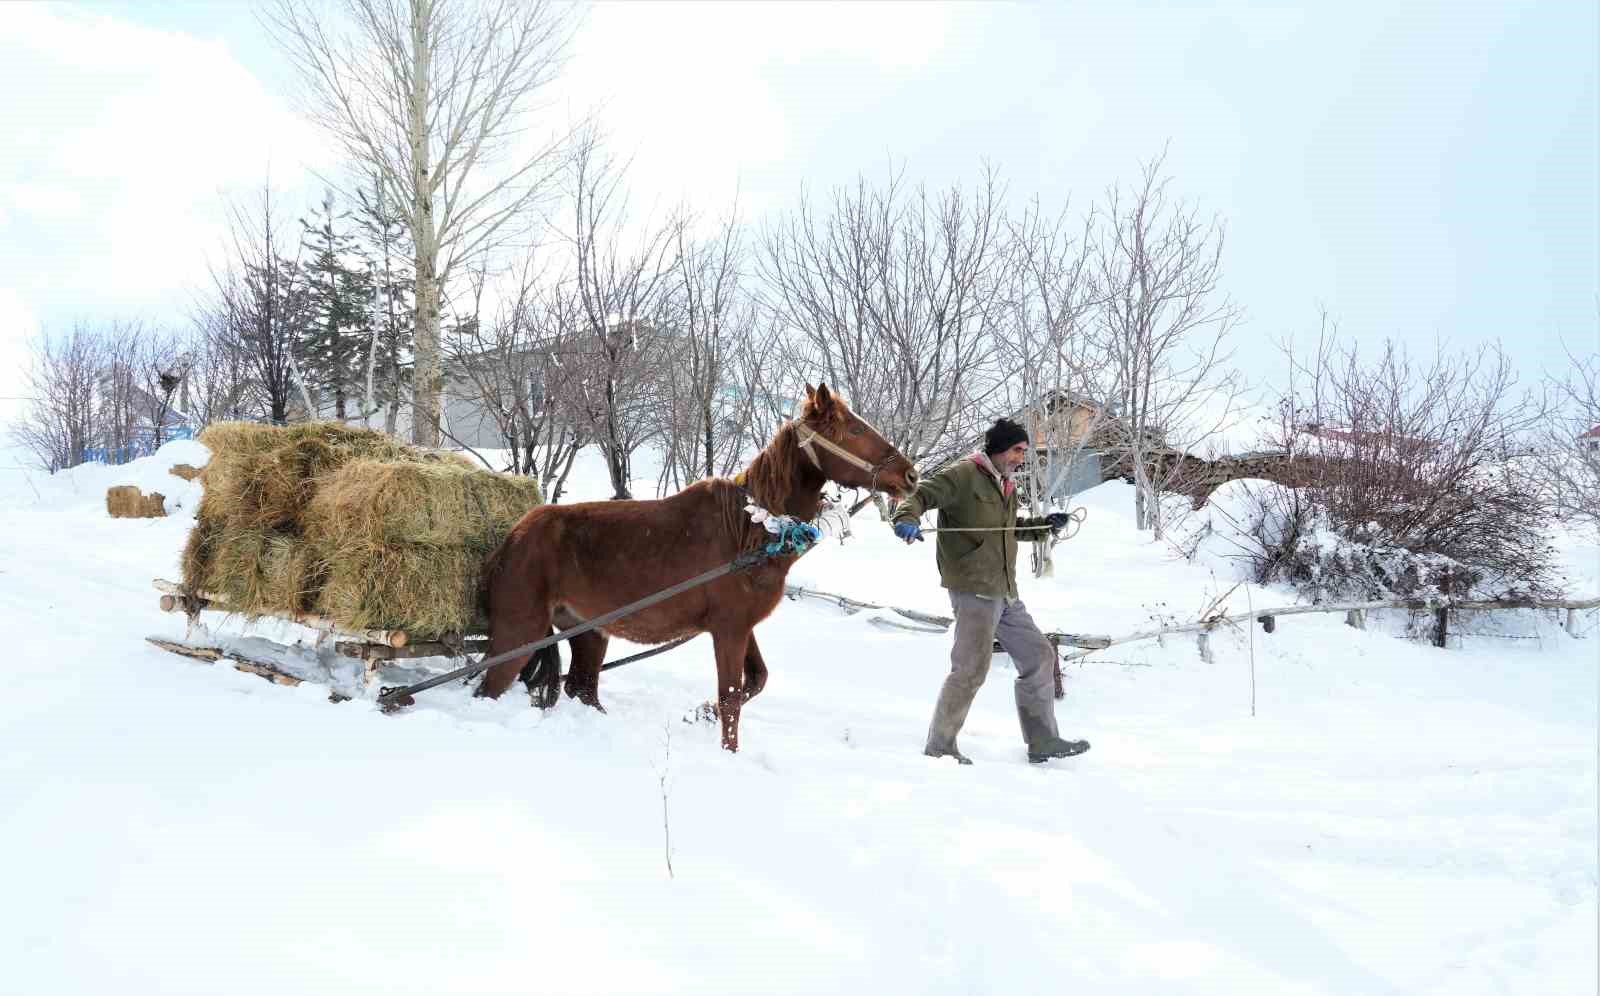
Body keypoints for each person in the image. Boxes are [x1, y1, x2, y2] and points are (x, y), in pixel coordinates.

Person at [891, 417, 1090, 765]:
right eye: (1016, 449)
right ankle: (940, 746)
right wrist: (905, 518)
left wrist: (1045, 526)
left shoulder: (1006, 485)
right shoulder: (963, 475)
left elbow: (1008, 530)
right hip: (974, 590)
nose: (1020, 457)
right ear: (998, 448)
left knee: (1039, 656)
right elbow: (919, 495)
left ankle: (1042, 740)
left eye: (1024, 451)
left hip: (1005, 591)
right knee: (970, 669)